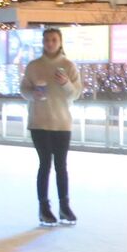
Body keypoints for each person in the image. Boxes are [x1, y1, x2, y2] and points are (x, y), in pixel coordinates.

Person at [21, 27, 82, 226]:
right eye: (47, 40)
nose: (50, 43)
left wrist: (66, 83)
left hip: (62, 123)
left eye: (54, 40)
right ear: (43, 42)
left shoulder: (68, 66)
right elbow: (24, 89)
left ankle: (64, 206)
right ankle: (44, 208)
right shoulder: (34, 66)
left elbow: (75, 94)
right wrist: (33, 94)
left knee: (61, 166)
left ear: (60, 42)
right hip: (39, 122)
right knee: (45, 164)